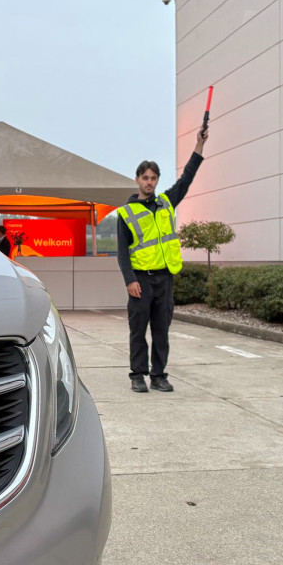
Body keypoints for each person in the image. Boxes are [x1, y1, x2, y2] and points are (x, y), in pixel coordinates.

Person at [117, 126, 209, 393]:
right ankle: (137, 375)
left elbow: (186, 179)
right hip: (140, 281)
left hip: (164, 279)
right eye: (145, 178)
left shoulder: (167, 203)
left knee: (161, 331)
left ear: (157, 180)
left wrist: (199, 145)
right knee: (138, 331)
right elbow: (122, 252)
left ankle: (158, 376)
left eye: (154, 178)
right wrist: (130, 281)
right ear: (137, 179)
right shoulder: (126, 213)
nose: (149, 182)